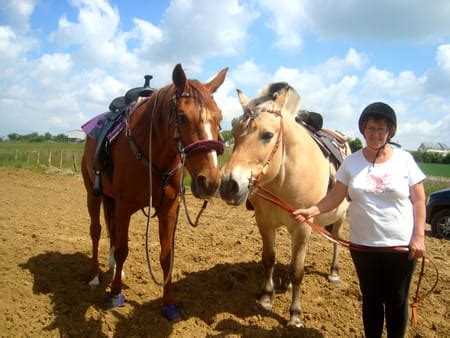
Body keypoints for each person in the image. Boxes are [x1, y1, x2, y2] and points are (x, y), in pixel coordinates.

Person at [292, 102, 426, 338]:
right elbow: (335, 196)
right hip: (363, 246)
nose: (375, 134)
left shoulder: (404, 160)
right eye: (371, 128)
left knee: (396, 300)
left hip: (400, 245)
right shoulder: (351, 162)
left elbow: (418, 200)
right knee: (371, 299)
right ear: (363, 130)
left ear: (390, 132)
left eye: (381, 129)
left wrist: (418, 236)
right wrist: (312, 210)